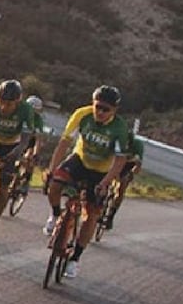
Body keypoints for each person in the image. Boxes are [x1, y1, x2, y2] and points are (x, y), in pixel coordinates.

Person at [44, 85, 131, 278]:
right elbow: (64, 142)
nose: (100, 112)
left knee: (91, 213)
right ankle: (56, 215)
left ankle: (75, 259)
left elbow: (120, 160)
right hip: (80, 160)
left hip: (101, 171)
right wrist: (52, 169)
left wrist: (106, 182)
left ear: (114, 110)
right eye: (97, 106)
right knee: (55, 183)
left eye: (105, 109)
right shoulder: (82, 115)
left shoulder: (119, 128)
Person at [0, 80, 40, 249]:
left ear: (18, 102)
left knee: (2, 189)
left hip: (11, 146)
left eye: (9, 104)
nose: (4, 107)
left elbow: (25, 139)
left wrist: (16, 154)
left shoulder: (25, 110)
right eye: (2, 102)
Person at [103, 126, 144, 230]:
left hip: (128, 166)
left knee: (121, 189)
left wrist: (133, 172)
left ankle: (111, 215)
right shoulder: (115, 140)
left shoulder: (137, 144)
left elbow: (138, 164)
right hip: (114, 162)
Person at [19, 95, 47, 193]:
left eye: (36, 111)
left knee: (29, 157)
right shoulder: (20, 114)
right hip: (18, 139)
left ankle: (26, 180)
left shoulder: (38, 120)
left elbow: (38, 138)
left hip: (30, 141)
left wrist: (35, 153)